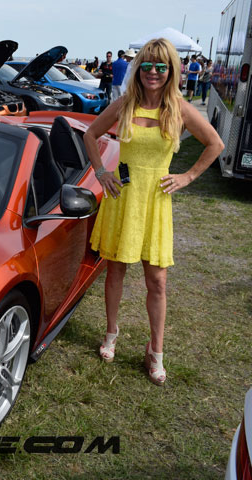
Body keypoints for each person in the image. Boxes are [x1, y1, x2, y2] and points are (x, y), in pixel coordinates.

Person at [82, 38, 224, 386]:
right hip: (123, 197)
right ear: (139, 68)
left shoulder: (179, 108)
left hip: (156, 201)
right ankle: (111, 333)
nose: (154, 72)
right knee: (115, 271)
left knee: (157, 281)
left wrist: (188, 176)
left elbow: (215, 144)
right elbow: (90, 135)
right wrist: (101, 172)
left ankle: (156, 350)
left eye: (162, 66)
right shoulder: (125, 103)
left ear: (172, 70)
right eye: (147, 65)